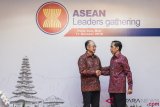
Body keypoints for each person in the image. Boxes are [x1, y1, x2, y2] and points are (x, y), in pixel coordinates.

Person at [101, 40, 133, 107]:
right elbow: (111, 70)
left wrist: (130, 87)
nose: (110, 49)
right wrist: (100, 70)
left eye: (112, 47)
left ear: (117, 48)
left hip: (120, 89)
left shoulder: (123, 58)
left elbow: (128, 72)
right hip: (112, 89)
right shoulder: (112, 58)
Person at [78, 40, 103, 107]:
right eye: (93, 46)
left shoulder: (97, 58)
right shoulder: (82, 58)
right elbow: (82, 71)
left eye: (95, 46)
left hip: (96, 87)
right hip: (87, 87)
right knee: (86, 105)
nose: (95, 48)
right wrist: (94, 72)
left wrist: (112, 69)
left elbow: (100, 69)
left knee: (96, 105)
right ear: (87, 47)